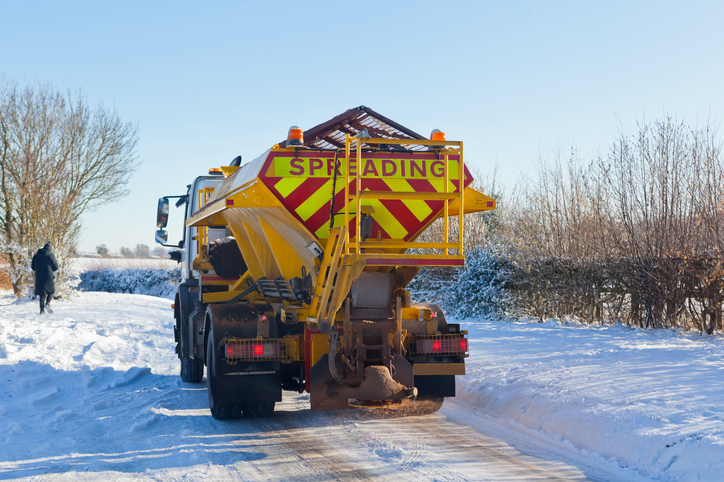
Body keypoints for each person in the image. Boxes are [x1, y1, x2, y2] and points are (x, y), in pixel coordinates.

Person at [31, 242, 58, 314]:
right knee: (51, 290)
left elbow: (33, 267)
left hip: (39, 276)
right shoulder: (51, 255)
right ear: (50, 249)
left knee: (42, 293)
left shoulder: (36, 255)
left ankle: (41, 310)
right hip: (48, 275)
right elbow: (55, 267)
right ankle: (48, 303)